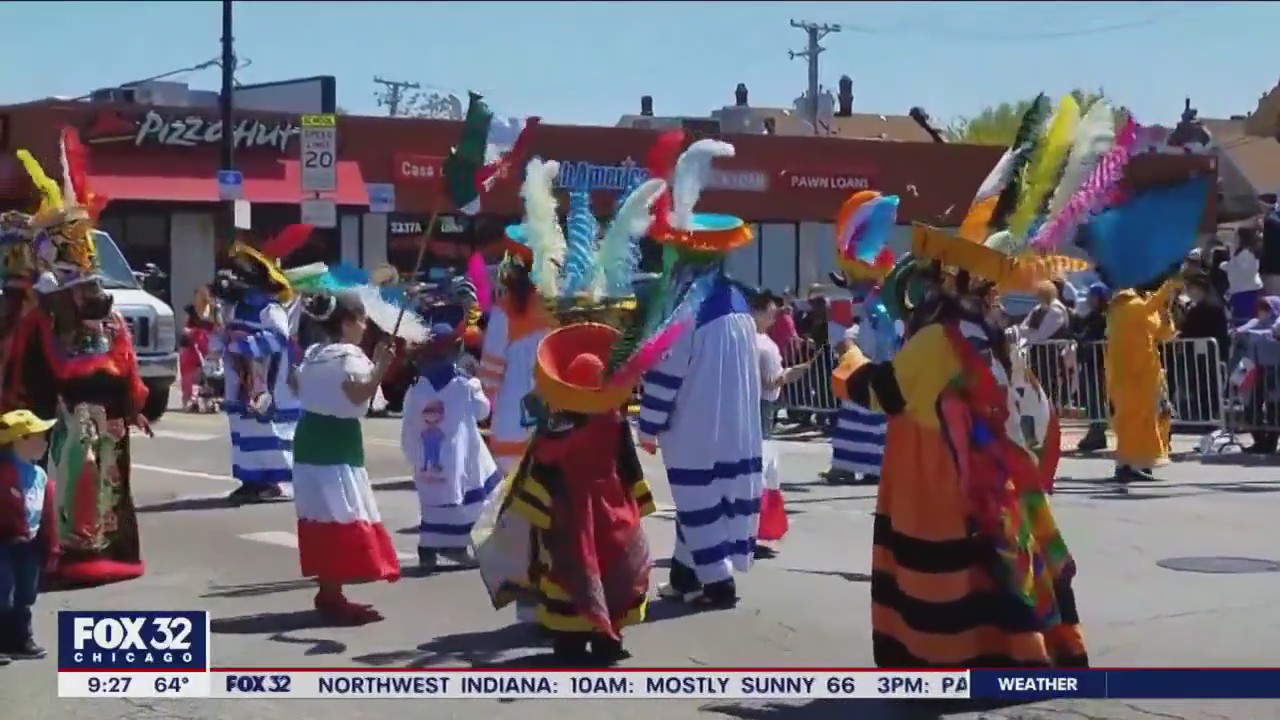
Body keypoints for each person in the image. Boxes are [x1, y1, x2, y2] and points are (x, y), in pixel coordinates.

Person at [1, 138, 150, 586]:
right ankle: (63, 552)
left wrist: (133, 403)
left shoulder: (111, 316)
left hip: (109, 418)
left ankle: (105, 553)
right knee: (73, 479)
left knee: (108, 485)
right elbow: (21, 374)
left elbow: (126, 362)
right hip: (63, 415)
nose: (87, 293)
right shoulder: (39, 319)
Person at [638, 137, 761, 608]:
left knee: (697, 499)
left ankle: (717, 582)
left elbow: (668, 371)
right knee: (702, 504)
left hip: (696, 424)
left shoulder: (685, 306)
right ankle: (687, 577)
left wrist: (648, 424)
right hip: (734, 423)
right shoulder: (736, 301)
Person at [292, 291, 400, 625]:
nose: (366, 326)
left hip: (309, 437)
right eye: (363, 319)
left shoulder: (314, 353)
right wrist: (381, 366)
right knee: (341, 516)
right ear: (347, 321)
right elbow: (358, 394)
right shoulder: (349, 356)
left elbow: (297, 388)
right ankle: (332, 596)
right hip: (336, 441)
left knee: (322, 516)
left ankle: (329, 592)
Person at [218, 225, 314, 503]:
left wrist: (245, 346)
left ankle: (276, 481)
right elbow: (226, 334)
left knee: (269, 432)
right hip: (240, 383)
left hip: (268, 385)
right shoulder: (237, 308)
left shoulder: (270, 310)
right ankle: (251, 479)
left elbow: (278, 338)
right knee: (243, 430)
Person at [400, 307, 500, 571]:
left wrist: (412, 453)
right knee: (467, 499)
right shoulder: (465, 385)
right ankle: (455, 546)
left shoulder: (416, 388)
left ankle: (429, 548)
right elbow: (483, 411)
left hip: (426, 458)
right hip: (462, 457)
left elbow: (407, 425)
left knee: (433, 500)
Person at [478, 232, 553, 474]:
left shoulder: (505, 310)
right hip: (553, 410)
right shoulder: (557, 305)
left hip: (513, 416)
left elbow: (491, 370)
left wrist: (481, 408)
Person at [752, 292, 810, 557]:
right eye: (771, 312)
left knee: (756, 470)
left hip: (754, 407)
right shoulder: (761, 344)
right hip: (762, 408)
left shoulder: (749, 341)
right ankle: (753, 531)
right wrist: (792, 374)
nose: (774, 317)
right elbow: (770, 382)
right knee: (760, 470)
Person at [1107, 278, 1179, 482]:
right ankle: (1124, 464)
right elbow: (1143, 312)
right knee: (1129, 416)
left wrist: (1166, 311)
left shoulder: (1147, 303)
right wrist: (1166, 290)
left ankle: (1141, 462)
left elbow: (1164, 333)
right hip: (1126, 372)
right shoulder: (1123, 303)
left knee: (1149, 417)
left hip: (1148, 371)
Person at [0, 409, 57, 660]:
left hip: (30, 543)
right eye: (39, 436)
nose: (45, 442)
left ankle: (21, 639)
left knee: (25, 593)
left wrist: (51, 544)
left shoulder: (40, 475)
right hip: (4, 542)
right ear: (20, 439)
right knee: (3, 592)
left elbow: (47, 513)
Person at [1176, 273, 1229, 423]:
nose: (1190, 292)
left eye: (1192, 289)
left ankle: (1210, 417)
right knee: (1198, 385)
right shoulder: (1196, 308)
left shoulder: (1212, 307)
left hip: (1209, 354)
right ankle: (1204, 416)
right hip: (1197, 354)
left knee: (1208, 386)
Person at [1073, 283, 1112, 452]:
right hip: (1089, 361)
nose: (1089, 299)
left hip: (1099, 362)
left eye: (1091, 296)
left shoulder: (1103, 317)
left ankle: (1098, 432)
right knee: (1090, 398)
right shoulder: (1092, 316)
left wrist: (1080, 338)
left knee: (1096, 397)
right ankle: (1096, 431)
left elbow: (1090, 337)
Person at [180, 286, 218, 409]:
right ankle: (189, 399)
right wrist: (192, 332)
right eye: (199, 295)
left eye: (204, 295)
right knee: (190, 373)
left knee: (210, 373)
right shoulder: (190, 310)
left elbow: (219, 327)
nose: (201, 298)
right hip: (191, 345)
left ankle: (209, 399)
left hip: (208, 345)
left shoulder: (214, 310)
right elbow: (184, 327)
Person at [1223, 227, 1264, 326]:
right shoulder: (1242, 254)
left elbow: (1243, 270)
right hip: (1240, 292)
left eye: (1236, 237)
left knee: (1245, 321)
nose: (1234, 240)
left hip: (1246, 292)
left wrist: (1227, 265)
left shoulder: (1246, 254)